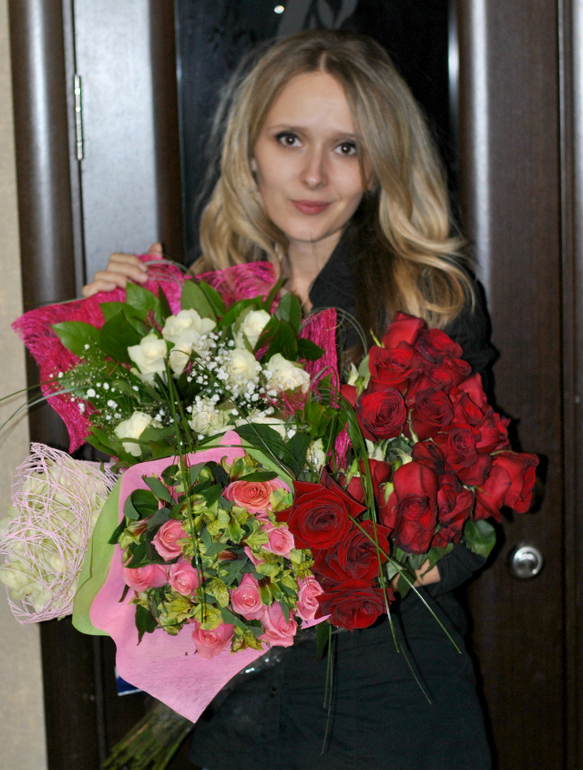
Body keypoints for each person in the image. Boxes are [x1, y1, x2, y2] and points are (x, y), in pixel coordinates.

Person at [83, 30, 494, 770]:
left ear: (379, 163)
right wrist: (108, 345)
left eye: (346, 147)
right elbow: (121, 504)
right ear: (250, 150)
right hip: (231, 707)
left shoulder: (428, 301)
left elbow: (473, 518)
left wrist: (358, 570)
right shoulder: (195, 307)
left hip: (385, 695)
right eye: (289, 139)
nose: (312, 174)